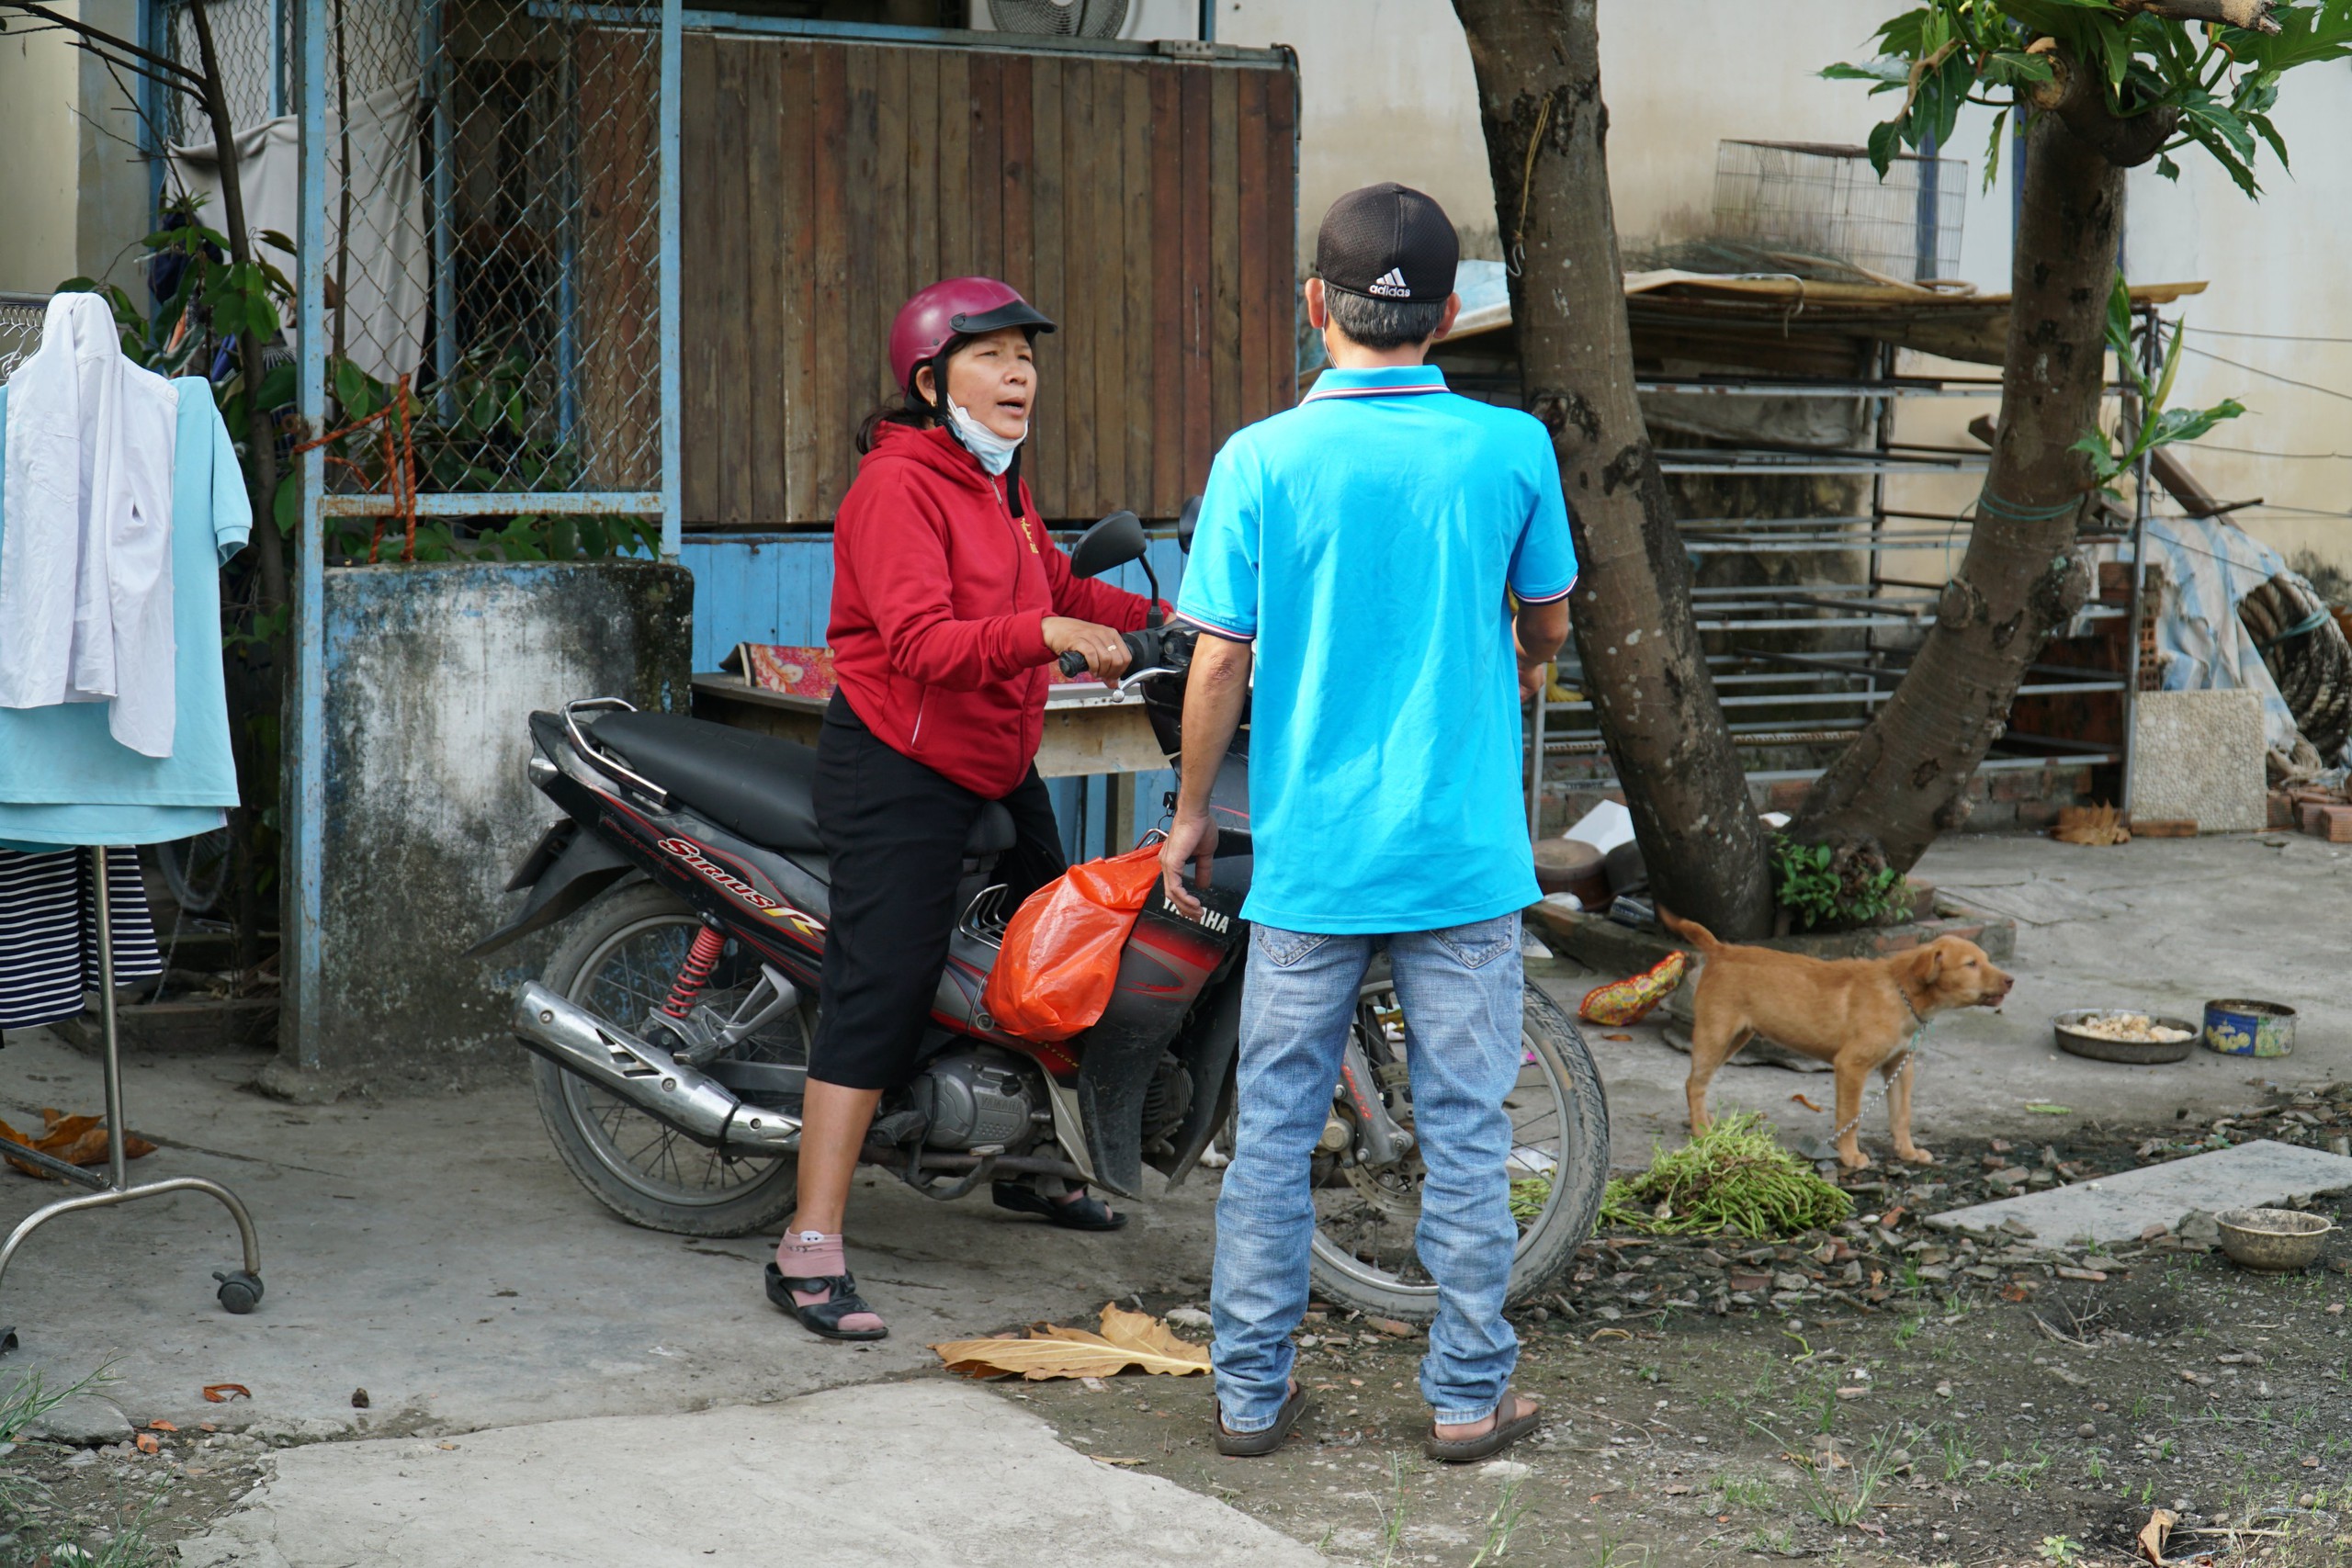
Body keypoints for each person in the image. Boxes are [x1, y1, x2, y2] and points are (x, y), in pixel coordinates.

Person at [1159, 185, 1577, 1461]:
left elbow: (1220, 662)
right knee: (1464, 1131)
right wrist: (1513, 658)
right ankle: (1465, 1395)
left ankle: (1247, 1394)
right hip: (1459, 862)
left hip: (1312, 865)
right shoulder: (1510, 449)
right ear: (1450, 315)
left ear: (1313, 307)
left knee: (1274, 1134)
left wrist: (1187, 814)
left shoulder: (1261, 458)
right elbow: (1548, 624)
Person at [767, 277, 1161, 1342]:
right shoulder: (897, 488)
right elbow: (921, 645)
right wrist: (1046, 640)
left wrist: (1188, 619)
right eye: (991, 356)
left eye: (1026, 355)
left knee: (1056, 956)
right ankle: (809, 1242)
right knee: (879, 986)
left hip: (991, 758)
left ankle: (1026, 1166)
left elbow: (1064, 589)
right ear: (931, 382)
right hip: (897, 765)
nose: (1020, 371)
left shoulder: (1000, 486)